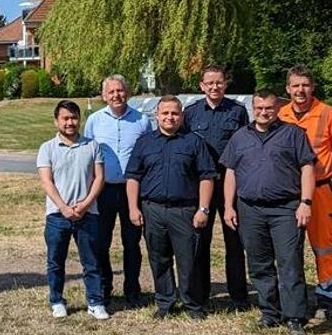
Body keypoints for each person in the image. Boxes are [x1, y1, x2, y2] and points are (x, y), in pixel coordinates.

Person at [221, 89, 317, 335]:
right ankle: (269, 312)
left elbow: (307, 168)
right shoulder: (240, 137)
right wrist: (229, 206)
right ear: (253, 108)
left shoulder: (294, 134)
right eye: (259, 108)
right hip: (250, 209)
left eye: (269, 108)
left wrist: (306, 202)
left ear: (277, 109)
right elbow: (230, 172)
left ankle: (294, 317)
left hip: (286, 209)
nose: (264, 113)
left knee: (290, 264)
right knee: (259, 264)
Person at [126, 96, 217, 319]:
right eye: (165, 113)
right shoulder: (144, 142)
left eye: (174, 113)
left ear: (182, 116)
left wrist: (203, 209)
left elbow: (207, 176)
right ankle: (165, 302)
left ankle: (192, 304)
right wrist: (133, 208)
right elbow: (133, 177)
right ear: (156, 116)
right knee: (158, 258)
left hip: (184, 210)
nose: (170, 117)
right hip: (152, 209)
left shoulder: (194, 142)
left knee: (189, 260)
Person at [277, 66, 332, 319]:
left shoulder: (329, 113)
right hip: (287, 193)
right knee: (288, 248)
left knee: (323, 246)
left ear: (312, 87)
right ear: (287, 89)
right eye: (295, 85)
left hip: (319, 191)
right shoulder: (280, 113)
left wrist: (323, 174)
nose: (300, 90)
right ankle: (294, 297)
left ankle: (328, 298)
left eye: (305, 85)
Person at [183, 65, 251, 311]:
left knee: (234, 240)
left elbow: (245, 145)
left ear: (225, 84)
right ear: (201, 85)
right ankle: (201, 295)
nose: (214, 87)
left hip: (230, 183)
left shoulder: (238, 111)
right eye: (209, 83)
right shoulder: (190, 114)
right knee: (201, 238)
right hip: (201, 185)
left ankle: (239, 296)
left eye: (219, 82)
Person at [83, 74, 152, 309]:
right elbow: (89, 156)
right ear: (104, 96)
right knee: (101, 242)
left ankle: (132, 289)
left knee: (132, 243)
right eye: (111, 92)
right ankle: (104, 287)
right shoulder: (94, 121)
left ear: (128, 92)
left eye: (120, 91)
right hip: (103, 191)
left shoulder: (142, 121)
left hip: (133, 191)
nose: (116, 95)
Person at [37, 100, 109, 320]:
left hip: (88, 214)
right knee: (56, 261)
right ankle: (57, 300)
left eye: (74, 118)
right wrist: (64, 207)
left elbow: (99, 178)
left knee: (92, 261)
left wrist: (86, 204)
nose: (70, 123)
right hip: (58, 215)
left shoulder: (92, 146)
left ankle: (95, 302)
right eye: (65, 118)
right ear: (56, 121)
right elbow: (47, 182)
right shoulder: (47, 148)